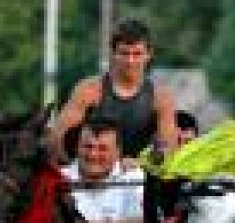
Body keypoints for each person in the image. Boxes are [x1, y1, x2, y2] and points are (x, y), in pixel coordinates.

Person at [49, 18, 178, 163]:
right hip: (91, 175)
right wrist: (79, 168)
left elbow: (168, 147)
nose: (130, 61)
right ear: (112, 53)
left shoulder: (161, 97)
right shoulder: (88, 90)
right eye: (124, 53)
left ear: (149, 54)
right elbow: (57, 139)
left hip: (138, 177)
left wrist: (141, 163)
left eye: (137, 54)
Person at [63, 115, 144, 223]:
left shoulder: (134, 177)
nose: (93, 155)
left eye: (103, 148)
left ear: (118, 152)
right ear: (77, 147)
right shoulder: (60, 179)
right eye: (88, 146)